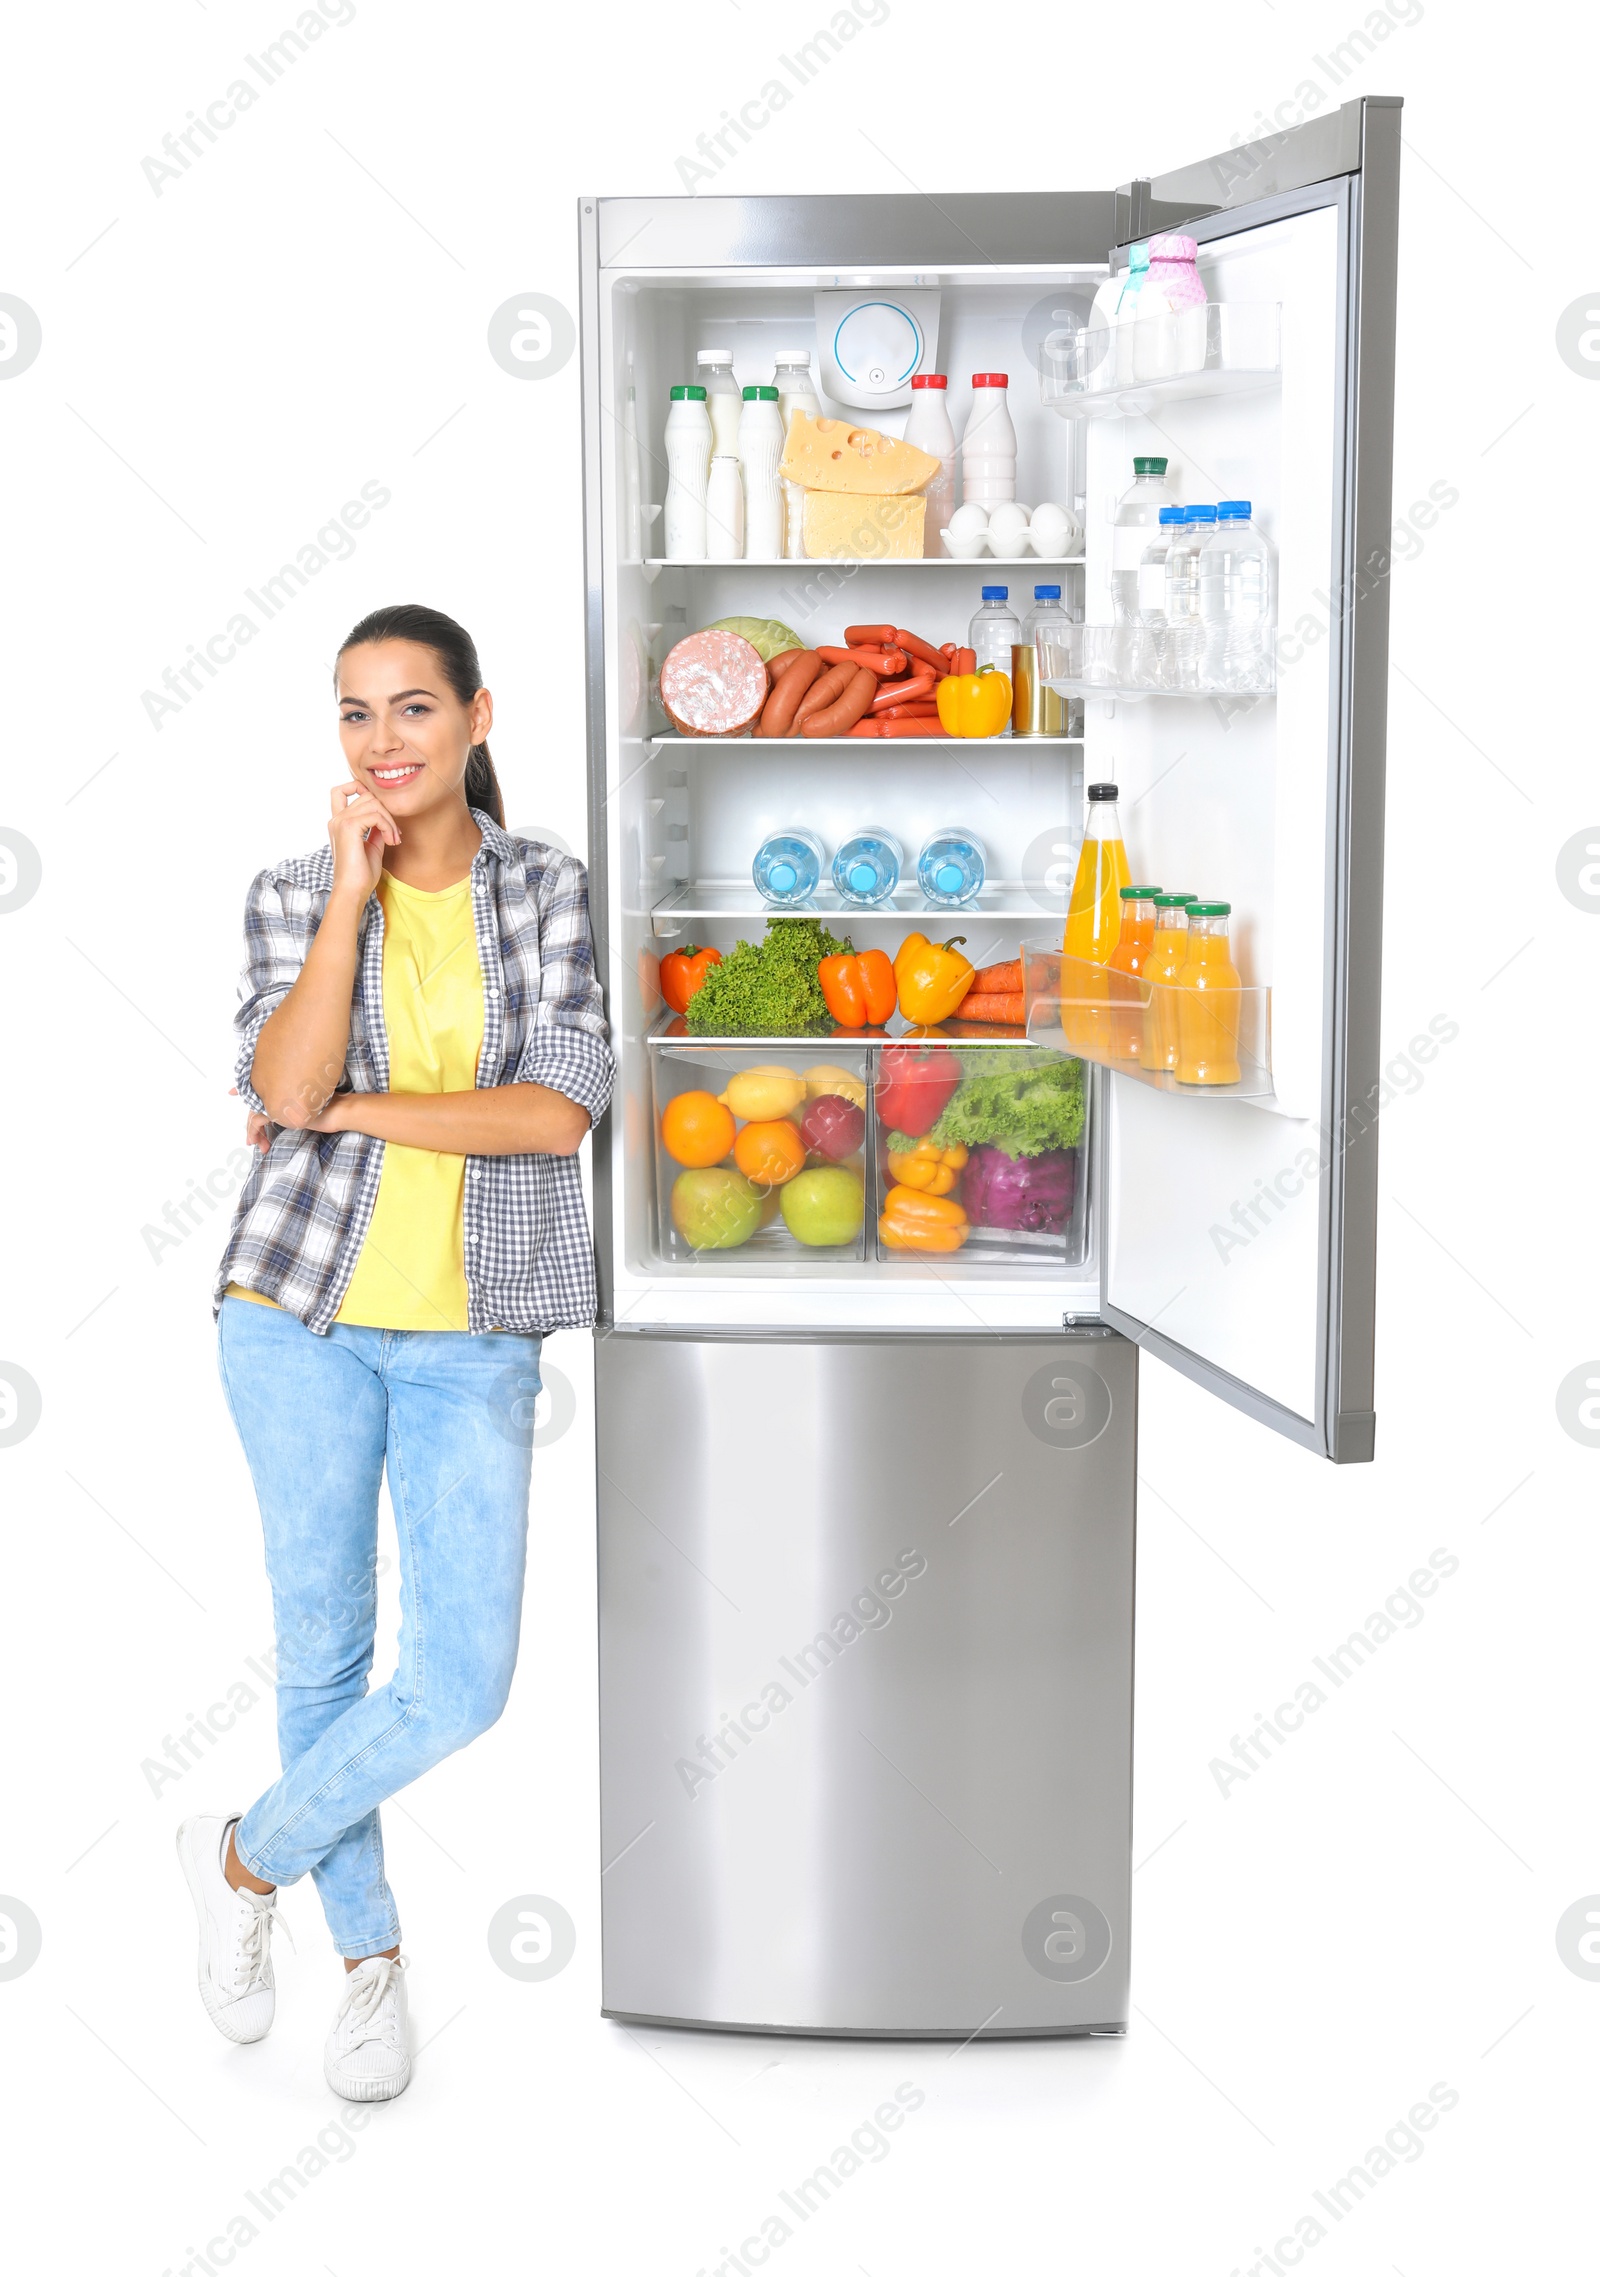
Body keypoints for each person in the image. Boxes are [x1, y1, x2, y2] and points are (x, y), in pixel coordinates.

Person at [179, 603, 612, 2101]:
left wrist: (347, 1110)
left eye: (414, 708)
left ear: (478, 718)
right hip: (292, 1313)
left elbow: (556, 1110)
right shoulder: (291, 889)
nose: (384, 742)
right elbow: (281, 1075)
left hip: (472, 1327)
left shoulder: (550, 886)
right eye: (357, 714)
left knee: (460, 1677)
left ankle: (242, 1856)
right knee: (327, 1656)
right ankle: (368, 1969)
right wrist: (349, 908)